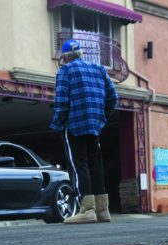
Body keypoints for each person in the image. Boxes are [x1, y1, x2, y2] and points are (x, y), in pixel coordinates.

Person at [50, 39, 118, 224]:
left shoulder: (65, 70)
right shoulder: (99, 69)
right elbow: (113, 99)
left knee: (78, 165)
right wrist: (101, 119)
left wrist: (57, 124)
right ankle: (103, 210)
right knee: (95, 164)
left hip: (74, 125)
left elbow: (62, 103)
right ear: (80, 53)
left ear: (64, 57)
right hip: (95, 126)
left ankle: (87, 210)